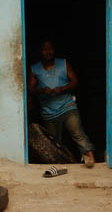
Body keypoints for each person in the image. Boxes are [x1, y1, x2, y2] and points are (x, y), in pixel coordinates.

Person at [28, 39, 96, 167]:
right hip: (48, 112)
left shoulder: (63, 63)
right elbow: (30, 89)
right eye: (44, 49)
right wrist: (42, 90)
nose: (47, 52)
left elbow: (75, 81)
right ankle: (59, 166)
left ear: (54, 50)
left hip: (68, 107)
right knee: (55, 142)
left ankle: (92, 162)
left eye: (50, 49)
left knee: (78, 134)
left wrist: (62, 88)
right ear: (40, 51)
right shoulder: (34, 68)